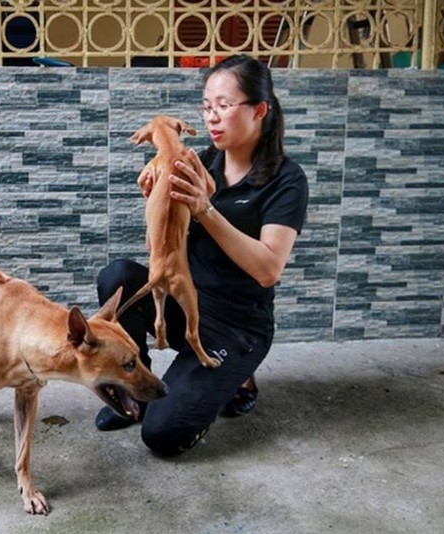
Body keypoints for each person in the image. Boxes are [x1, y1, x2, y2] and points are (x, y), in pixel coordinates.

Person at [95, 55, 309, 457]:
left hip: (236, 326)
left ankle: (237, 378)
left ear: (259, 110)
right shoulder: (198, 161)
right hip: (186, 301)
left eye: (224, 106)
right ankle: (136, 389)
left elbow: (268, 270)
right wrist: (157, 206)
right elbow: (163, 249)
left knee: (163, 436)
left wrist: (205, 209)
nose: (212, 118)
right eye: (207, 106)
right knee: (118, 277)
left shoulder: (286, 180)